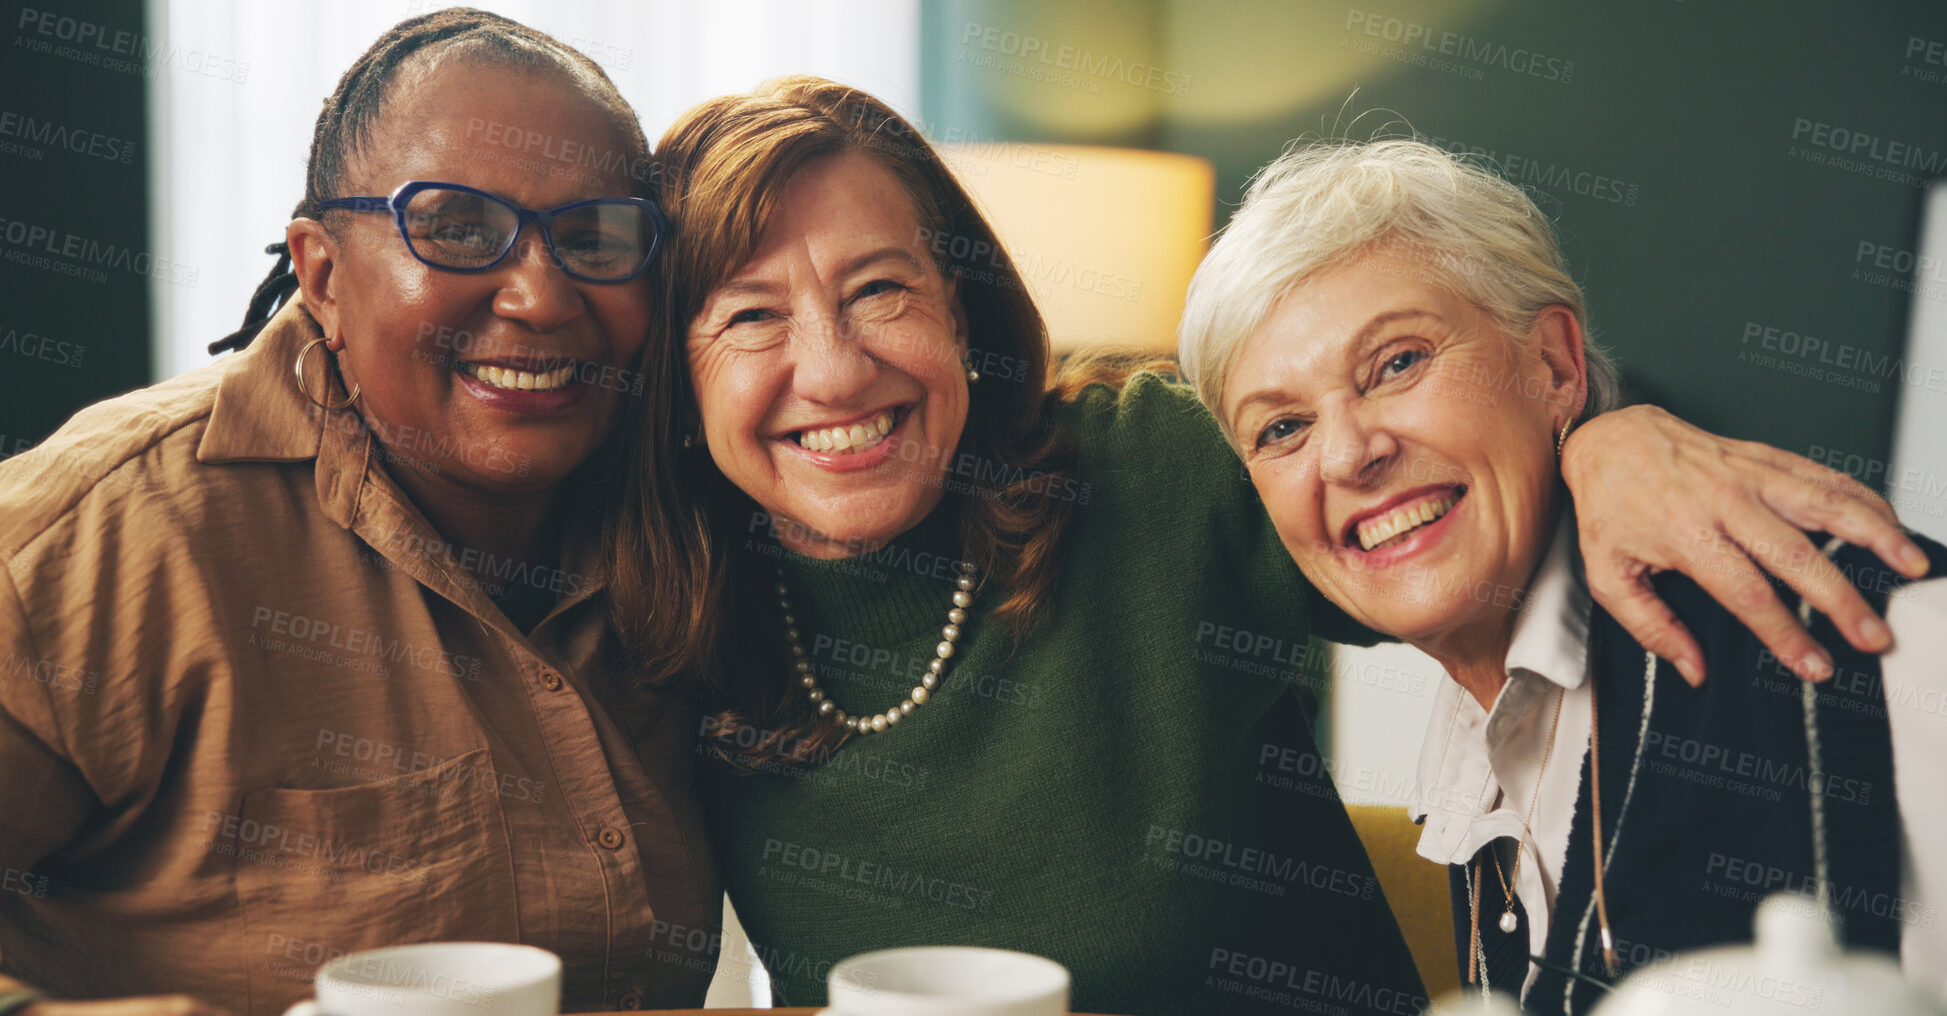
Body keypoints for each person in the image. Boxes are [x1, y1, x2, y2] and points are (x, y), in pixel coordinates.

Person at [607, 77, 1925, 1015]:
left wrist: (1610, 436)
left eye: (880, 286)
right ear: (673, 369)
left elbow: (1443, 467)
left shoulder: (1144, 464)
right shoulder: (659, 620)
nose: (830, 367)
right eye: (748, 315)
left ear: (961, 305)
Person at [0, 9, 716, 1015]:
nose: (543, 299)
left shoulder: (684, 526)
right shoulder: (106, 533)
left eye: (596, 238)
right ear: (322, 276)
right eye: (459, 229)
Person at [1179, 138, 1947, 1013]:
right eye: (1280, 429)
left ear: (1552, 367)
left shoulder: (1889, 644)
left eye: (1397, 363)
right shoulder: (1469, 765)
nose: (1350, 454)